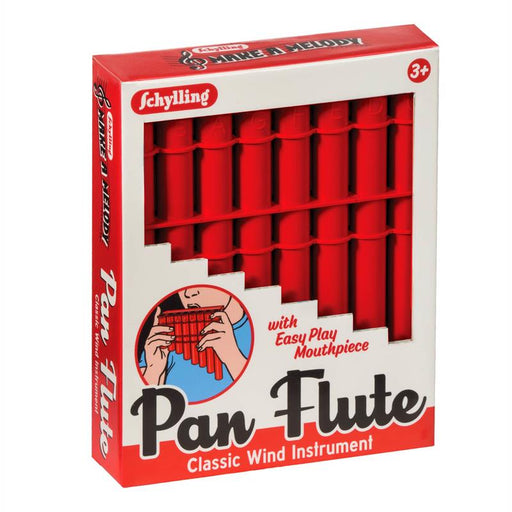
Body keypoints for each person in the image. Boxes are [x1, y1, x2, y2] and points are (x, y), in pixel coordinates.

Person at [139, 286, 251, 402]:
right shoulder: (165, 338)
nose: (188, 293)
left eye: (205, 284)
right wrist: (154, 370)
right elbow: (143, 406)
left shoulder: (257, 327)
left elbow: (258, 395)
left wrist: (233, 358)